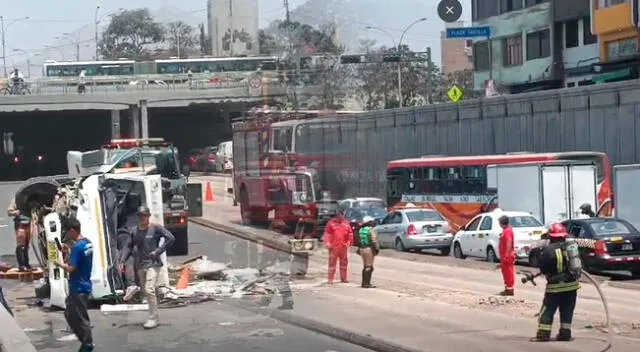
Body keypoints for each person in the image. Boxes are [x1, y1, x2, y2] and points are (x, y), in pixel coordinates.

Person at [118, 206, 174, 329]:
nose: (143, 218)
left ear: (148, 216)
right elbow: (128, 246)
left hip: (153, 264)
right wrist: (122, 260)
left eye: (145, 216)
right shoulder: (134, 231)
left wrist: (158, 251)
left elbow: (170, 238)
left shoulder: (155, 228)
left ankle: (153, 318)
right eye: (141, 216)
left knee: (149, 290)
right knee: (145, 292)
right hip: (140, 265)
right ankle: (153, 314)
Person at [531, 222, 581, 342]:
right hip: (572, 286)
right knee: (567, 310)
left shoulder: (548, 250)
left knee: (547, 310)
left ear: (551, 236)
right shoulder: (570, 247)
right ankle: (565, 334)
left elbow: (543, 267)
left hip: (555, 287)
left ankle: (543, 334)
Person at [53, 217, 94, 352]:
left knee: (80, 317)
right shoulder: (87, 243)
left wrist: (58, 263)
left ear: (72, 230)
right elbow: (79, 260)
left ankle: (87, 343)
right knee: (70, 313)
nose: (68, 235)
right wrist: (68, 253)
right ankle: (84, 340)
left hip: (78, 286)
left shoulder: (77, 247)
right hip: (84, 284)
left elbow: (71, 268)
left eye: (68, 232)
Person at [323, 209, 353, 284]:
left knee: (344, 263)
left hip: (343, 246)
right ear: (337, 216)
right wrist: (327, 242)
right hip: (333, 247)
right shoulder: (331, 223)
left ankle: (343, 278)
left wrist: (349, 242)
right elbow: (327, 234)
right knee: (332, 263)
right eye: (339, 216)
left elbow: (350, 233)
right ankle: (330, 279)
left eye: (342, 216)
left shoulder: (346, 223)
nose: (341, 217)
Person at [7, 200, 32, 272]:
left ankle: (26, 264)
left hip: (29, 223)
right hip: (20, 224)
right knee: (21, 245)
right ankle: (21, 265)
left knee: (26, 246)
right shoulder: (17, 199)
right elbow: (9, 212)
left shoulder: (31, 200)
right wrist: (17, 212)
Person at [357, 216, 379, 288]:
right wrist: (376, 249)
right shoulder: (370, 230)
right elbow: (374, 240)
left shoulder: (361, 230)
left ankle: (363, 282)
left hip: (362, 249)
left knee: (365, 266)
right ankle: (367, 283)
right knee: (369, 267)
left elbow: (358, 240)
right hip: (368, 249)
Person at [498, 215, 515, 296]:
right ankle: (507, 288)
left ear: (502, 223)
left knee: (508, 272)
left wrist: (506, 255)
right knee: (505, 272)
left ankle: (510, 289)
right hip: (504, 256)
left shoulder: (507, 231)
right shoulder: (505, 230)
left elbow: (509, 242)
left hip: (507, 256)